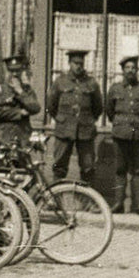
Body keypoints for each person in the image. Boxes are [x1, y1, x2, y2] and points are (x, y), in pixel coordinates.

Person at [105, 53, 139, 215]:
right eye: (127, 67)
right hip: (120, 134)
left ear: (137, 70)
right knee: (120, 169)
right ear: (122, 70)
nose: (130, 71)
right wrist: (121, 124)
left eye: (133, 67)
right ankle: (118, 203)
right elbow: (110, 111)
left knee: (138, 170)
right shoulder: (115, 89)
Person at [47, 48, 103, 183]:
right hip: (64, 129)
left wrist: (88, 120)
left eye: (81, 64)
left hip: (85, 130)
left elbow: (98, 107)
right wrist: (62, 120)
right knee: (59, 166)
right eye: (75, 63)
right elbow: (51, 106)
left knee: (88, 167)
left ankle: (87, 200)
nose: (78, 66)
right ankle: (56, 200)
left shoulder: (91, 83)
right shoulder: (60, 82)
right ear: (69, 63)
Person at [0, 52, 42, 147]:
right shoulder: (0, 88)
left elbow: (36, 108)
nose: (15, 74)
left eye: (17, 71)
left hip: (23, 136)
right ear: (7, 71)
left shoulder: (26, 89)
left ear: (22, 71)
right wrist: (20, 113)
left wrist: (20, 92)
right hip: (5, 136)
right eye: (11, 71)